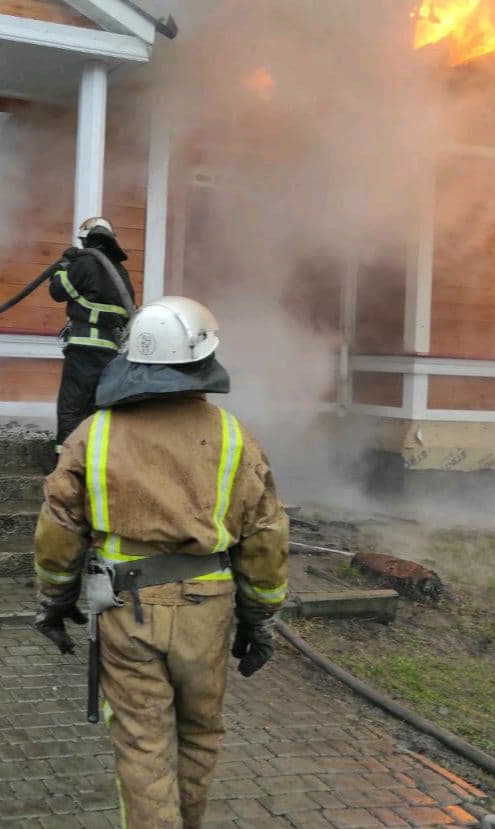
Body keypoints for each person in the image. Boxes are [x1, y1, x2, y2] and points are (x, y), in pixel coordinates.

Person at [31, 296, 290, 829]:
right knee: (199, 735)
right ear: (201, 361)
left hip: (127, 610)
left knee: (143, 743)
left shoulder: (93, 435)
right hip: (207, 611)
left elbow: (59, 528)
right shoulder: (235, 438)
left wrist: (54, 602)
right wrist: (260, 618)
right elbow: (264, 536)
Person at [49, 217, 135, 451]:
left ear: (86, 240)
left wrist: (64, 264)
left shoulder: (85, 262)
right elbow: (128, 314)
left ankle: (63, 461)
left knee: (72, 405)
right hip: (109, 353)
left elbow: (57, 290)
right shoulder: (121, 273)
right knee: (96, 407)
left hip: (83, 349)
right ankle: (91, 458)